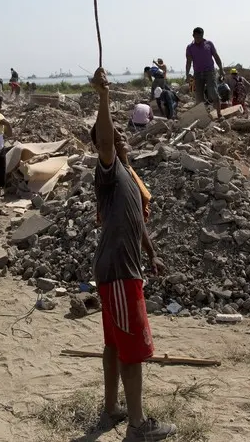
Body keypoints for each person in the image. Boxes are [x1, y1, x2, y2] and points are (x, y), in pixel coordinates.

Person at [89, 67, 175, 440]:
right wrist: (104, 96)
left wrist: (151, 253)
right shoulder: (107, 170)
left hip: (122, 268)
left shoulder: (126, 175)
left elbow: (136, 220)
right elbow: (105, 140)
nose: (121, 137)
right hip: (120, 272)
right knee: (133, 351)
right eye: (114, 137)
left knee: (113, 343)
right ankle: (138, 427)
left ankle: (112, 409)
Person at [185, 27, 224, 120]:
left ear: (203, 36)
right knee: (198, 97)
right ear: (193, 36)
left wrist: (221, 69)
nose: (198, 39)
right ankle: (203, 117)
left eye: (200, 37)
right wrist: (187, 74)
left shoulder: (209, 44)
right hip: (197, 74)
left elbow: (216, 56)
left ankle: (219, 114)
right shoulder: (190, 47)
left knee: (213, 92)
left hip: (210, 72)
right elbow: (188, 62)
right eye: (196, 37)